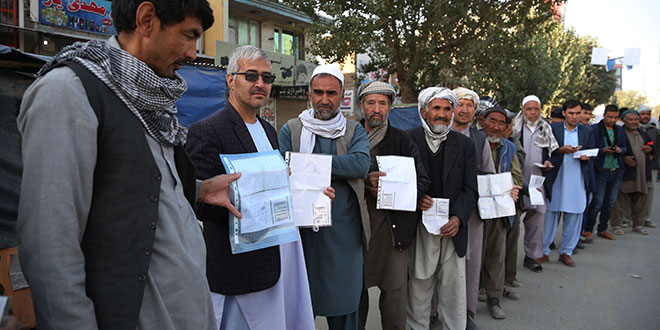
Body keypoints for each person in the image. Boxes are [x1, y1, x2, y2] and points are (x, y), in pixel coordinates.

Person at [17, 1, 232, 328]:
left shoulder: (153, 98)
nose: (192, 53)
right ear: (147, 20)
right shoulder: (69, 93)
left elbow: (138, 186)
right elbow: (50, 248)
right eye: (189, 36)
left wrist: (199, 190)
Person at [187, 46, 335, 330]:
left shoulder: (268, 130)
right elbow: (202, 203)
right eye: (251, 76)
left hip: (280, 259)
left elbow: (277, 188)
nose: (260, 84)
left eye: (267, 78)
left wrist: (310, 197)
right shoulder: (208, 131)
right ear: (231, 79)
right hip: (239, 269)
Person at [279, 64, 371, 330]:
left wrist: (308, 167)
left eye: (331, 93)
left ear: (341, 95)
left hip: (344, 234)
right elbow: (283, 168)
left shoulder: (354, 131)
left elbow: (360, 166)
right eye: (318, 92)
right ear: (310, 94)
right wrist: (327, 171)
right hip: (302, 236)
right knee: (299, 303)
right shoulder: (292, 129)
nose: (324, 99)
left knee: (344, 305)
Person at [356, 81, 430, 330]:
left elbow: (422, 181)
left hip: (393, 230)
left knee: (395, 295)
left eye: (382, 103)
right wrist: (364, 181)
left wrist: (394, 189)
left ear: (390, 107)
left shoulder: (403, 140)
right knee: (356, 293)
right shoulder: (349, 138)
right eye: (370, 103)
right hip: (357, 230)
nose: (376, 109)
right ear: (361, 106)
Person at [406, 87, 477, 330]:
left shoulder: (464, 145)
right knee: (419, 286)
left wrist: (458, 218)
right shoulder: (409, 139)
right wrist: (416, 199)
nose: (442, 114)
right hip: (420, 227)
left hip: (452, 229)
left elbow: (471, 189)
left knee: (453, 290)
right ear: (424, 111)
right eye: (436, 108)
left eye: (448, 109)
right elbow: (401, 182)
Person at [451, 87, 495, 329]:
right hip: (444, 210)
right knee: (442, 261)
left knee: (471, 262)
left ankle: (466, 314)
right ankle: (436, 310)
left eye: (470, 105)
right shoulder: (439, 133)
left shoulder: (480, 138)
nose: (465, 109)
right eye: (460, 104)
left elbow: (489, 173)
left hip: (474, 212)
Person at [480, 107, 523, 320]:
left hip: (499, 209)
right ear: (482, 122)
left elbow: (517, 176)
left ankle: (494, 299)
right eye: (492, 121)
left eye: (501, 123)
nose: (496, 127)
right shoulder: (474, 143)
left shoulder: (509, 148)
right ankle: (470, 298)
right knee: (474, 254)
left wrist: (513, 188)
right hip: (475, 209)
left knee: (496, 254)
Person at [540, 100, 595, 267]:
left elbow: (591, 151)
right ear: (564, 113)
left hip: (577, 178)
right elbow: (545, 150)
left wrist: (586, 156)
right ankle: (543, 251)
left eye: (578, 113)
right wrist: (559, 152)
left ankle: (566, 252)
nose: (574, 117)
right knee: (550, 214)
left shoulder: (586, 131)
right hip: (557, 177)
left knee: (575, 214)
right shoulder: (554, 128)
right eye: (571, 113)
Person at [510, 95, 559, 272]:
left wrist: (548, 163)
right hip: (516, 183)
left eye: (536, 109)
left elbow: (553, 153)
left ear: (540, 110)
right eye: (529, 109)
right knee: (511, 224)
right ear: (522, 110)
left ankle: (532, 257)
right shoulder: (514, 128)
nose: (532, 112)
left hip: (537, 183)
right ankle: (507, 263)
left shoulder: (545, 128)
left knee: (536, 222)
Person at [582, 105, 627, 241]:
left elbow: (626, 148)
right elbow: (590, 148)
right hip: (601, 170)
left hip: (616, 170)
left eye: (615, 117)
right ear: (604, 115)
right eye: (610, 117)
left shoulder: (619, 130)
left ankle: (602, 228)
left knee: (610, 202)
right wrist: (603, 151)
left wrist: (620, 150)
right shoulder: (594, 129)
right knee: (597, 202)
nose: (612, 120)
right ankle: (588, 229)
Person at [610, 109, 654, 236]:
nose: (634, 122)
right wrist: (623, 158)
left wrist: (650, 148)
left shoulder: (643, 133)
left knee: (641, 198)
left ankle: (638, 225)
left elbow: (653, 145)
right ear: (623, 120)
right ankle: (616, 225)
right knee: (620, 198)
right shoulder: (619, 132)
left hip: (642, 171)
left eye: (636, 119)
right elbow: (615, 149)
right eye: (630, 120)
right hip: (626, 171)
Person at [638, 105, 658, 228]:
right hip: (636, 164)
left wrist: (652, 151)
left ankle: (647, 218)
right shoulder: (632, 128)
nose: (646, 116)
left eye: (648, 114)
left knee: (649, 191)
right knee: (633, 189)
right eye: (643, 114)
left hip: (652, 164)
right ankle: (629, 217)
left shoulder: (654, 130)